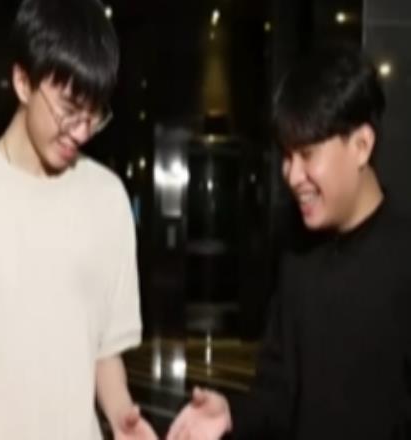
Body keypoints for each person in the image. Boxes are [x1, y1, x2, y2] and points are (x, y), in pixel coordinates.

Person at [0, 0, 157, 439]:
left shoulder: (107, 199)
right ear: (23, 81)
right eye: (69, 108)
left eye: (94, 114)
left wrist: (122, 416)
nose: (81, 131)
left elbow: (104, 350)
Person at [167, 45, 411, 440]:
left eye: (307, 154)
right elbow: (277, 395)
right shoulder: (298, 257)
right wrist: (231, 414)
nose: (292, 175)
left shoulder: (403, 260)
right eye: (286, 155)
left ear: (361, 146)